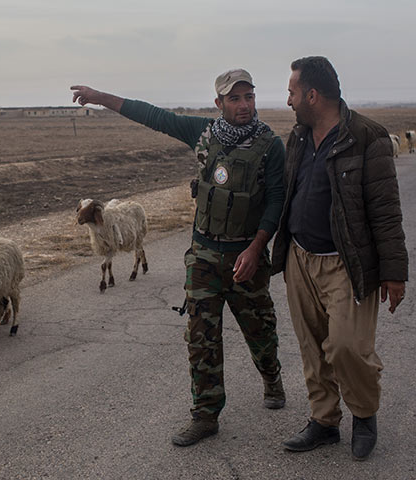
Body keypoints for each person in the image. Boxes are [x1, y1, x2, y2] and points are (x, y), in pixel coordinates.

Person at [71, 68, 286, 447]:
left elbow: (276, 202)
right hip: (203, 255)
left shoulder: (270, 146)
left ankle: (271, 377)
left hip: (245, 256)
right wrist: (101, 97)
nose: (244, 105)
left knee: (260, 331)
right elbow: (153, 115)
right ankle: (205, 415)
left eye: (249, 97)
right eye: (234, 98)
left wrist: (256, 248)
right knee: (201, 337)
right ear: (219, 103)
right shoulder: (204, 134)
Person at [271, 56, 408, 460]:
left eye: (292, 92)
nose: (289, 100)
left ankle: (364, 415)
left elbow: (385, 210)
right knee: (312, 347)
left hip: (345, 264)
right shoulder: (297, 136)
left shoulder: (367, 136)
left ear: (312, 95)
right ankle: (324, 421)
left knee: (348, 347)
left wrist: (394, 273)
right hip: (300, 257)